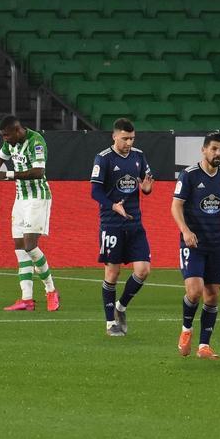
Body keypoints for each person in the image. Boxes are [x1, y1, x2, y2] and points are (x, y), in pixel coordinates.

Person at [0, 115, 59, 312]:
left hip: (37, 198)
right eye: (3, 136)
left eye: (7, 136)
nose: (5, 139)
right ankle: (27, 299)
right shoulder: (10, 143)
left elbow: (39, 171)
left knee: (31, 246)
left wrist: (9, 175)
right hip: (21, 199)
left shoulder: (36, 141)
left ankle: (51, 291)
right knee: (20, 248)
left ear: (17, 130)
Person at [171, 132, 220, 360]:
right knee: (195, 291)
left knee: (212, 296)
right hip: (193, 244)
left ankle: (204, 346)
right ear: (204, 150)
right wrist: (185, 231)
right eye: (214, 149)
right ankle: (186, 330)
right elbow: (176, 207)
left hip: (216, 244)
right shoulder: (189, 175)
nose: (218, 153)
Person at [90, 118, 154, 337]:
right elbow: (95, 192)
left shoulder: (139, 156)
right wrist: (112, 206)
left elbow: (145, 185)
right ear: (114, 136)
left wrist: (146, 189)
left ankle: (121, 306)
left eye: (132, 138)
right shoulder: (103, 158)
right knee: (112, 272)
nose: (129, 142)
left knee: (143, 270)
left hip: (135, 223)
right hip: (111, 223)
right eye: (125, 138)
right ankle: (110, 323)